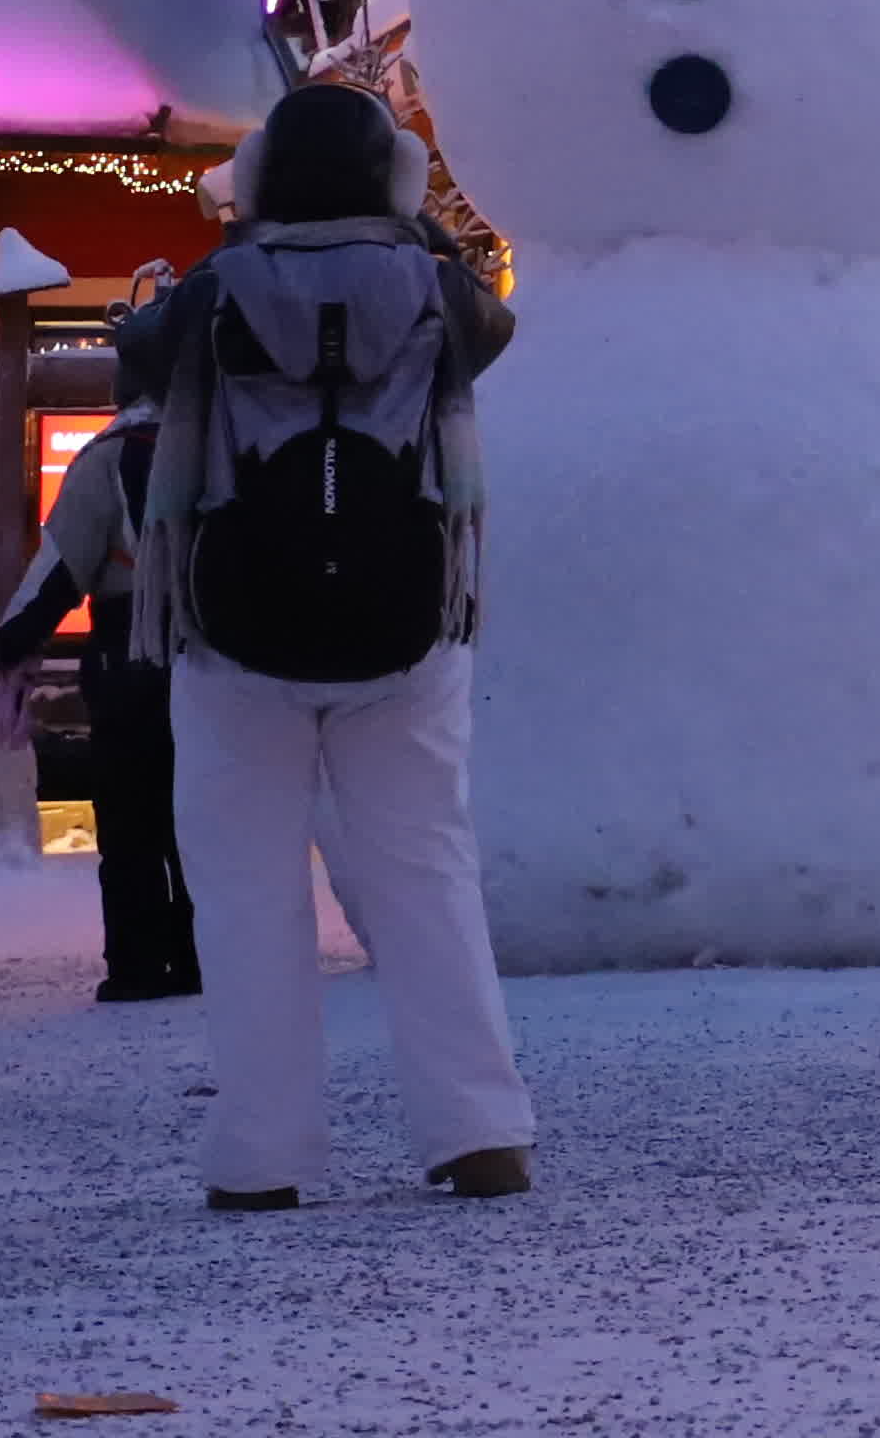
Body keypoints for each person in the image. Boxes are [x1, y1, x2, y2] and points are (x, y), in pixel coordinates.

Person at [138, 83, 531, 1208]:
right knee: (427, 875)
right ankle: (479, 1130)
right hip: (407, 625)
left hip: (233, 633)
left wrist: (239, 239)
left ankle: (263, 1154)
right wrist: (421, 229)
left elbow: (141, 351)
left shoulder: (212, 292)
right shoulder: (439, 291)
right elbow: (494, 325)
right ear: (391, 177)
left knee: (245, 894)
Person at [0, 384, 199, 1000]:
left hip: (130, 656)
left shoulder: (110, 456)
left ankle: (138, 965)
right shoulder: (224, 443)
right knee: (205, 818)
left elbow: (60, 567)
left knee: (131, 820)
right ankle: (207, 956)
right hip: (218, 659)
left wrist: (14, 643)